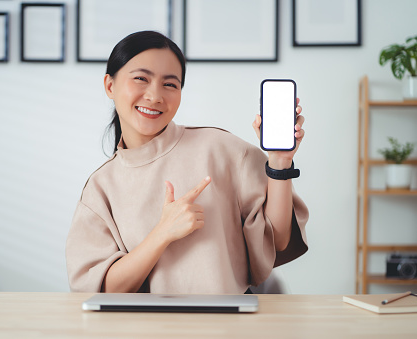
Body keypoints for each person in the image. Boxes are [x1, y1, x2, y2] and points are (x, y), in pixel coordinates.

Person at [66, 31, 309, 294]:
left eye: (170, 84)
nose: (155, 95)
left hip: (226, 328)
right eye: (141, 79)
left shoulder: (221, 148)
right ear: (110, 86)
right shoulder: (101, 187)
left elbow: (278, 241)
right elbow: (100, 289)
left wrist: (280, 162)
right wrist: (162, 233)